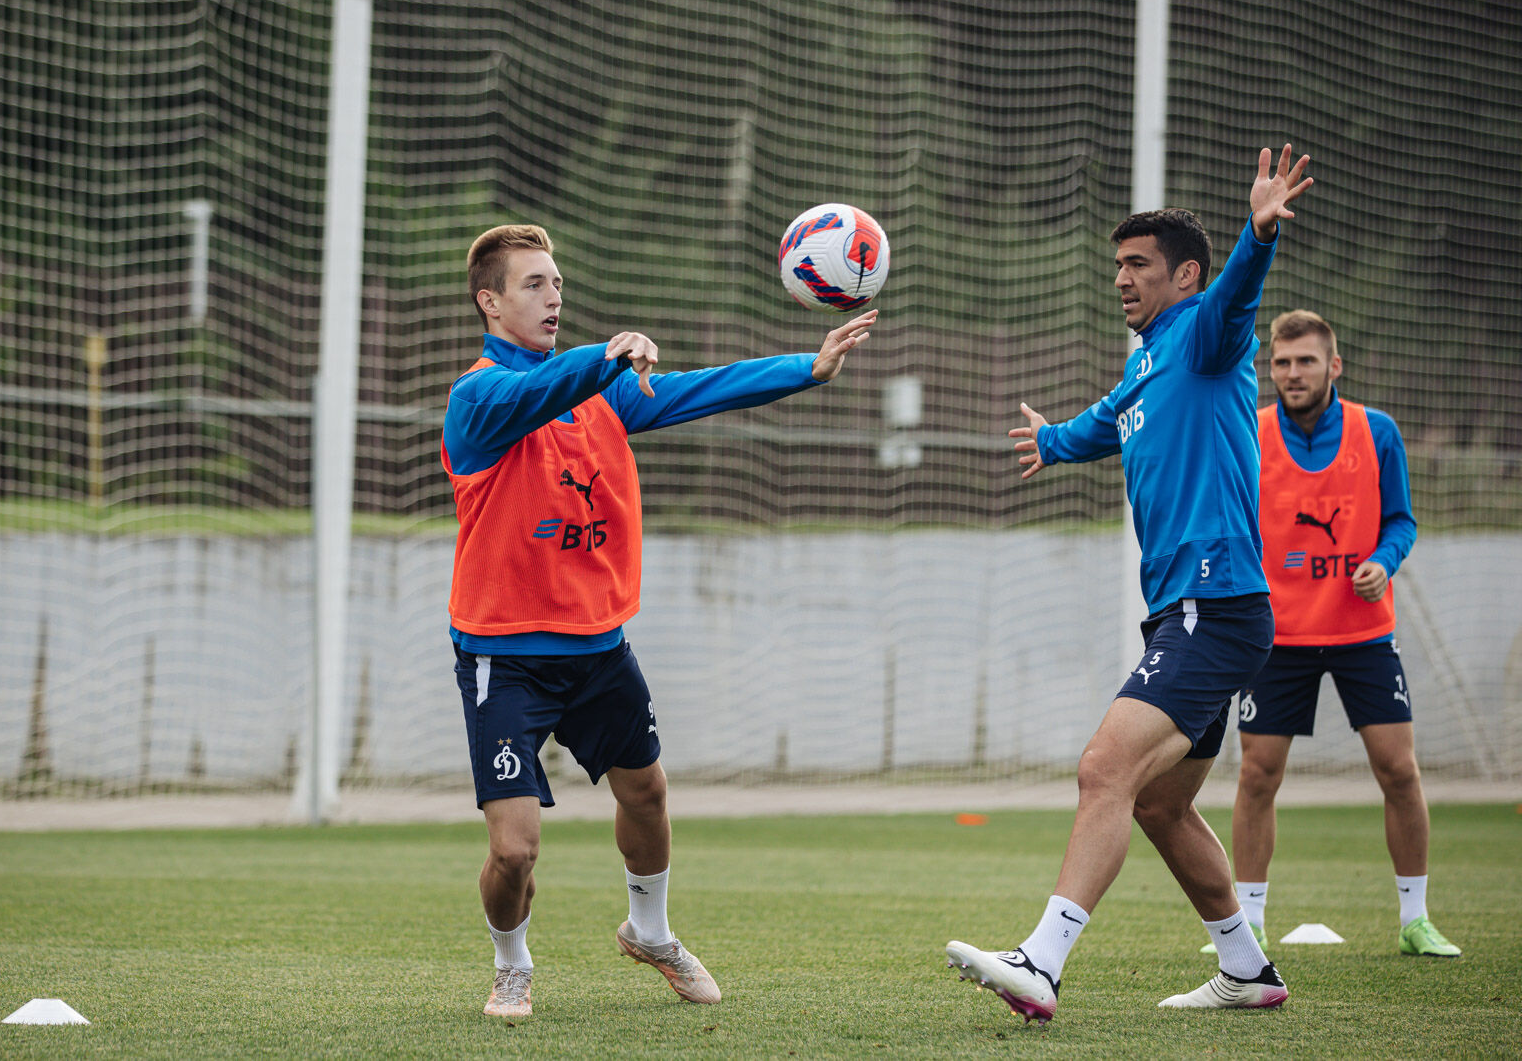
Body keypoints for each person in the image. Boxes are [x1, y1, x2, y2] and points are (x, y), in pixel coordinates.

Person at [443, 223, 878, 1019]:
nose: (553, 295)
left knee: (646, 792)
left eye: (558, 282)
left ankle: (650, 930)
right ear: (490, 300)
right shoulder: (479, 398)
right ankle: (512, 962)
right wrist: (602, 354)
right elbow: (533, 392)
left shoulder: (602, 392)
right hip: (504, 656)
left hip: (599, 647)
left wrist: (806, 369)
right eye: (534, 283)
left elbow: (697, 388)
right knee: (514, 849)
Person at [944, 145, 1314, 1022]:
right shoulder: (1145, 363)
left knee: (1103, 768)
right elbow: (1101, 424)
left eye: (1137, 264)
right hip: (1189, 612)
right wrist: (1053, 440)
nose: (1122, 278)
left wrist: (1257, 233)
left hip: (1215, 604)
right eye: (1117, 265)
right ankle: (1247, 968)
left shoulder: (1206, 332)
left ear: (1183, 275)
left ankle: (1041, 961)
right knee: (1158, 801)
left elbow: (1237, 295)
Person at [1200, 309, 1460, 958]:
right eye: (1281, 363)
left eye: (1305, 361)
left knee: (1398, 770)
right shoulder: (1251, 432)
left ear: (1333, 366)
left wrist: (1384, 561)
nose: (1291, 373)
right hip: (1275, 637)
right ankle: (1248, 922)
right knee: (1258, 774)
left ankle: (1415, 918)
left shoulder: (1379, 432)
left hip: (1364, 633)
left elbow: (1401, 521)